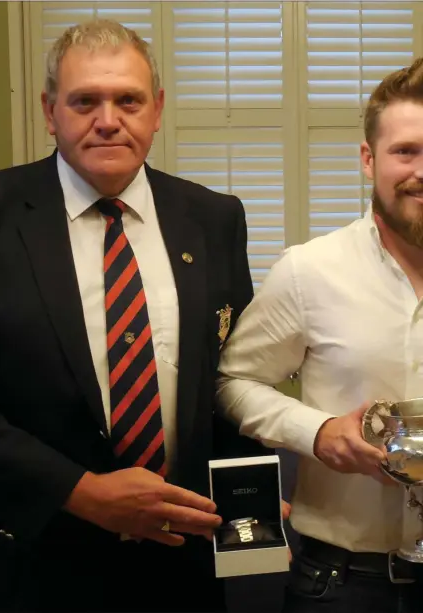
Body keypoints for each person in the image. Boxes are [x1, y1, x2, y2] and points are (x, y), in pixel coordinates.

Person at [0, 19, 267, 613]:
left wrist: (249, 505)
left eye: (128, 100)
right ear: (48, 109)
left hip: (176, 569)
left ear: (156, 109)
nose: (108, 119)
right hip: (21, 567)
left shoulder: (213, 219)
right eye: (85, 100)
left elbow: (230, 383)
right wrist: (81, 493)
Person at [216, 57, 423, 613]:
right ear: (367, 158)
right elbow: (234, 382)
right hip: (345, 585)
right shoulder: (309, 272)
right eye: (406, 151)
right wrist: (319, 431)